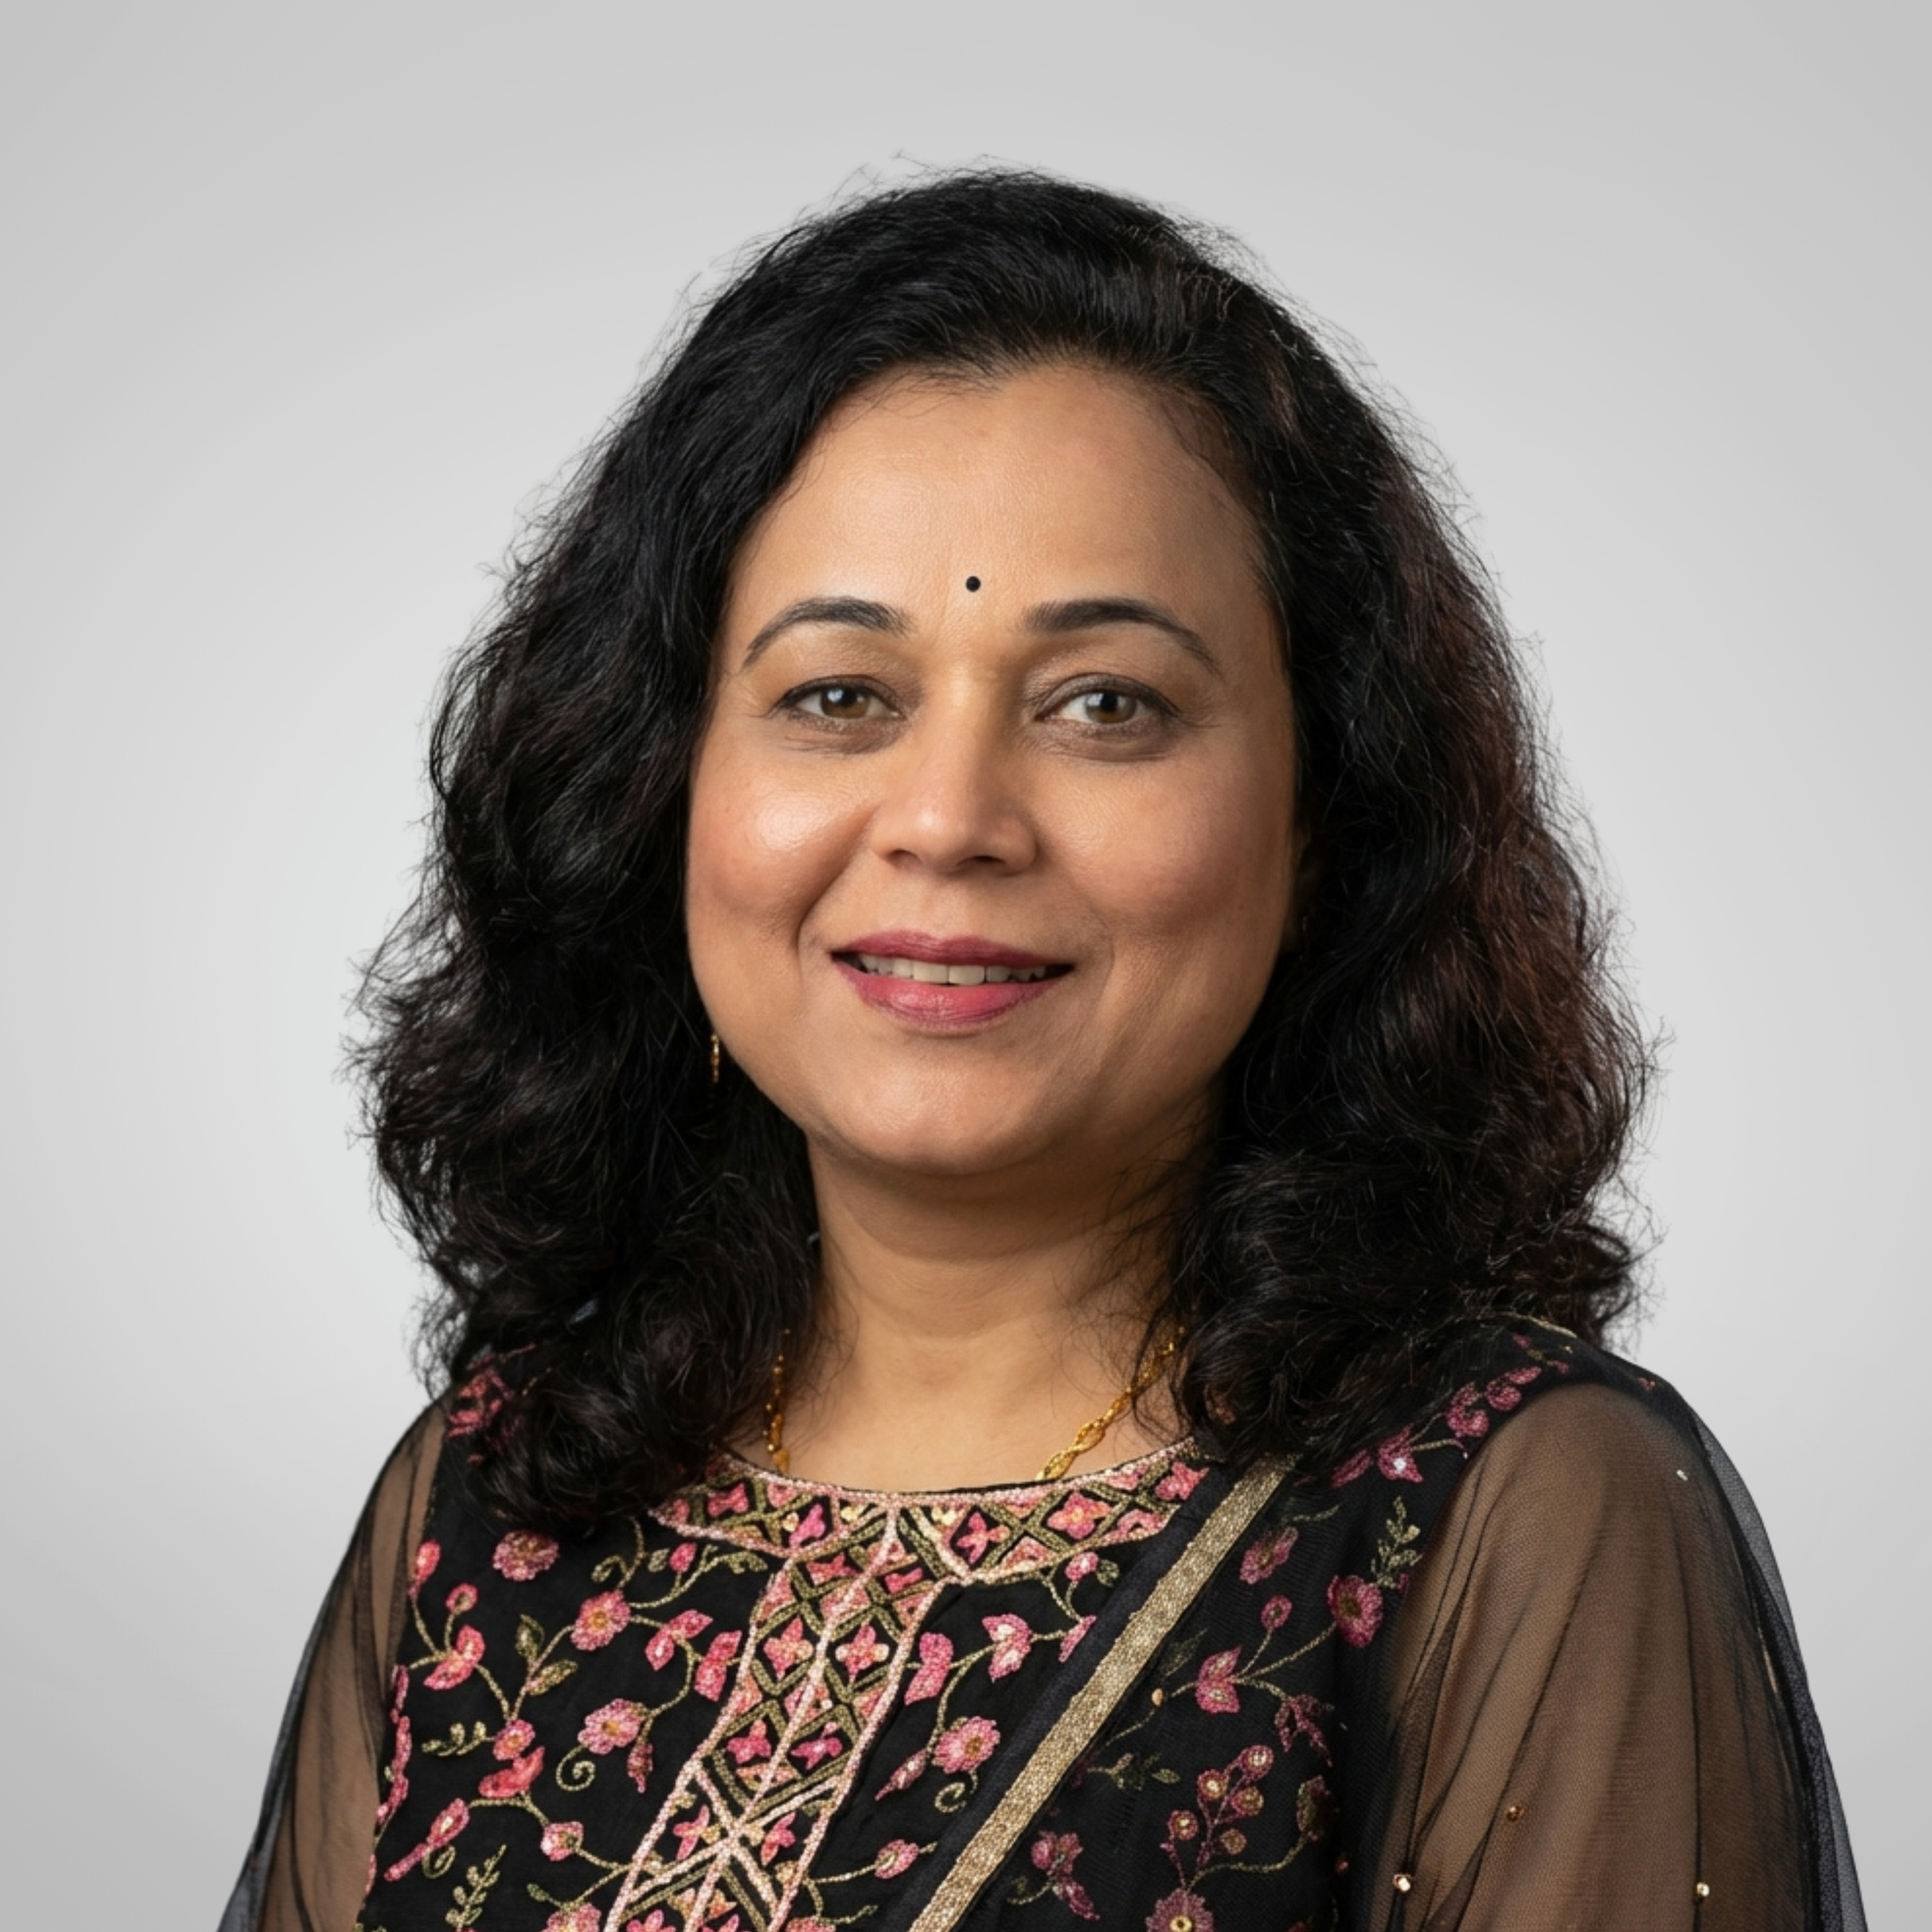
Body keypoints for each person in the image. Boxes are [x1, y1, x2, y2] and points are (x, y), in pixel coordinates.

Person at [222, 170, 1863, 1932]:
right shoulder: (492, 1499)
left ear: (1323, 815)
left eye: (1107, 704)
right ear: (657, 785)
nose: (946, 819)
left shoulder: (1507, 1516)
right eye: (836, 695)